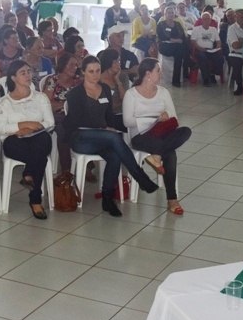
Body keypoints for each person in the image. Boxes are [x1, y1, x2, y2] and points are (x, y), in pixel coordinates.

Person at [65, 56, 159, 217]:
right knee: (114, 138)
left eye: (97, 71)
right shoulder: (75, 94)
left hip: (101, 137)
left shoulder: (105, 89)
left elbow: (109, 116)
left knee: (115, 155)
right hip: (80, 136)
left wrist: (108, 127)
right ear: (83, 73)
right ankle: (139, 175)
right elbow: (76, 120)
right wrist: (105, 128)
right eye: (91, 71)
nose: (95, 75)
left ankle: (107, 199)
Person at [123, 58, 192, 215]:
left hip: (162, 135)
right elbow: (127, 121)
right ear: (148, 74)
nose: (160, 74)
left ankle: (156, 155)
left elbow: (174, 117)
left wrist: (165, 117)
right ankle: (172, 199)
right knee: (170, 154)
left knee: (186, 131)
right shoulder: (131, 94)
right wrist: (153, 119)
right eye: (158, 71)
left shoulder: (163, 92)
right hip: (141, 136)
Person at [0, 60, 55, 219]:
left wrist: (33, 128)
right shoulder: (5, 102)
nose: (28, 75)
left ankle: (32, 186)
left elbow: (50, 123)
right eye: (23, 73)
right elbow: (2, 127)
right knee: (40, 157)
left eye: (29, 71)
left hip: (38, 137)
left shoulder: (40, 98)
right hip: (15, 140)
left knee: (42, 142)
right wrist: (24, 126)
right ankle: (34, 197)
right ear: (13, 77)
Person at [42, 53, 81, 173]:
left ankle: (86, 165)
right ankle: (66, 169)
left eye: (76, 65)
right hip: (56, 115)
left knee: (81, 126)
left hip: (75, 115)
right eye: (71, 65)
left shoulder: (78, 82)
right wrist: (65, 105)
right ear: (63, 65)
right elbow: (46, 104)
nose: (74, 67)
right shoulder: (53, 80)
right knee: (63, 128)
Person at [156, 6, 187, 87]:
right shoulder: (161, 24)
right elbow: (162, 36)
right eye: (169, 13)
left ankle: (176, 80)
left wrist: (178, 41)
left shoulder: (177, 24)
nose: (171, 14)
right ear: (165, 14)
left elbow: (183, 36)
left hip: (176, 47)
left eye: (172, 12)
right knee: (180, 51)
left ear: (174, 14)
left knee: (180, 51)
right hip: (164, 46)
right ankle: (177, 80)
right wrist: (175, 40)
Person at [190, 11, 223, 86]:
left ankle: (213, 73)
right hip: (199, 49)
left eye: (208, 19)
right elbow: (193, 41)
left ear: (210, 20)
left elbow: (218, 41)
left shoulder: (213, 29)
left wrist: (218, 47)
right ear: (201, 20)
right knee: (203, 57)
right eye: (204, 19)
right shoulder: (196, 29)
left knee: (220, 57)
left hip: (211, 50)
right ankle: (206, 79)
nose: (206, 21)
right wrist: (200, 48)